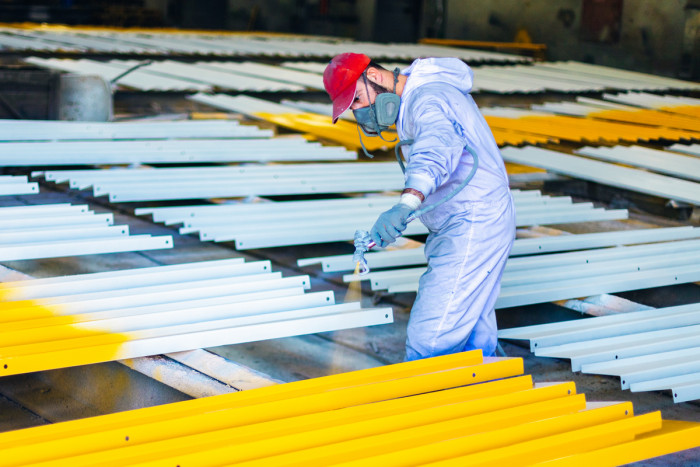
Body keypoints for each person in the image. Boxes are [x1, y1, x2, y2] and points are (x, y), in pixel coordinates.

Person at [323, 52, 516, 361]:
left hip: (474, 222)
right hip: (466, 221)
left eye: (358, 99)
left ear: (374, 76)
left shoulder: (426, 99)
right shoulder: (419, 98)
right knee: (473, 334)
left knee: (431, 340)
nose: (360, 113)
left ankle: (435, 400)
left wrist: (406, 204)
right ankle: (485, 398)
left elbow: (436, 147)